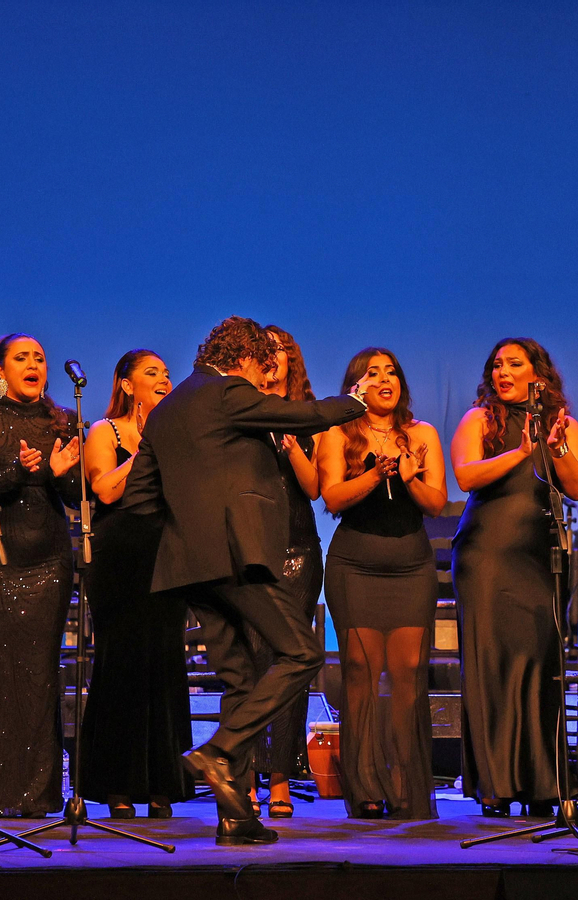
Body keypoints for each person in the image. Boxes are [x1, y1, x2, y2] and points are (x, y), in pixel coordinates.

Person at [118, 316, 370, 846]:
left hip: (190, 567)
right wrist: (355, 402)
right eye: (263, 366)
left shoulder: (165, 411)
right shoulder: (228, 390)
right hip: (235, 556)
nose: (263, 375)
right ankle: (220, 749)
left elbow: (139, 499)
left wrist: (191, 518)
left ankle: (234, 816)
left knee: (240, 682)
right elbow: (303, 415)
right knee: (301, 653)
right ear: (247, 358)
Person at [451, 337, 578, 818]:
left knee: (539, 665)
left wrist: (555, 448)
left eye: (514, 364)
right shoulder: (479, 420)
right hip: (487, 557)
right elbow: (466, 476)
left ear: (539, 373)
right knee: (491, 665)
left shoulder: (562, 424)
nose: (502, 372)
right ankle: (495, 783)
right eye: (496, 365)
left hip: (539, 557)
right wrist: (522, 452)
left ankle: (542, 781)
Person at [0, 333, 82, 817]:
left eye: (40, 358)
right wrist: (26, 471)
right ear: (0, 368)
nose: (34, 365)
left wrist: (61, 471)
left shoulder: (62, 419)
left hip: (48, 559)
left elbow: (71, 494)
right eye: (22, 358)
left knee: (39, 675)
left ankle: (39, 795)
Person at [317, 347, 446, 820]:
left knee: (409, 672)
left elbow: (435, 503)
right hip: (356, 565)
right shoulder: (338, 432)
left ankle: (406, 782)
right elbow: (332, 497)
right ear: (356, 386)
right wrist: (376, 473)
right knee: (359, 672)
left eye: (392, 371)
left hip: (410, 566)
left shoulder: (421, 433)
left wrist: (408, 477)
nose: (385, 379)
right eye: (373, 373)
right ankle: (365, 785)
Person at [78, 348, 191, 819]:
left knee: (164, 667)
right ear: (126, 384)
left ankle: (162, 784)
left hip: (167, 555)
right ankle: (118, 786)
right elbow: (104, 489)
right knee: (121, 665)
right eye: (152, 373)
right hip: (120, 558)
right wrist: (146, 447)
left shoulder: (176, 433)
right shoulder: (104, 431)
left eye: (166, 373)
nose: (164, 379)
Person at [246, 325, 325, 818]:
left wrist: (292, 441)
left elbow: (315, 489)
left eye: (281, 351)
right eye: (264, 352)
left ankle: (279, 778)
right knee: (252, 666)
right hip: (250, 550)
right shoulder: (239, 411)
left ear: (292, 359)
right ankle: (247, 776)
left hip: (298, 550)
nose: (273, 358)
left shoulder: (307, 416)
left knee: (289, 665)